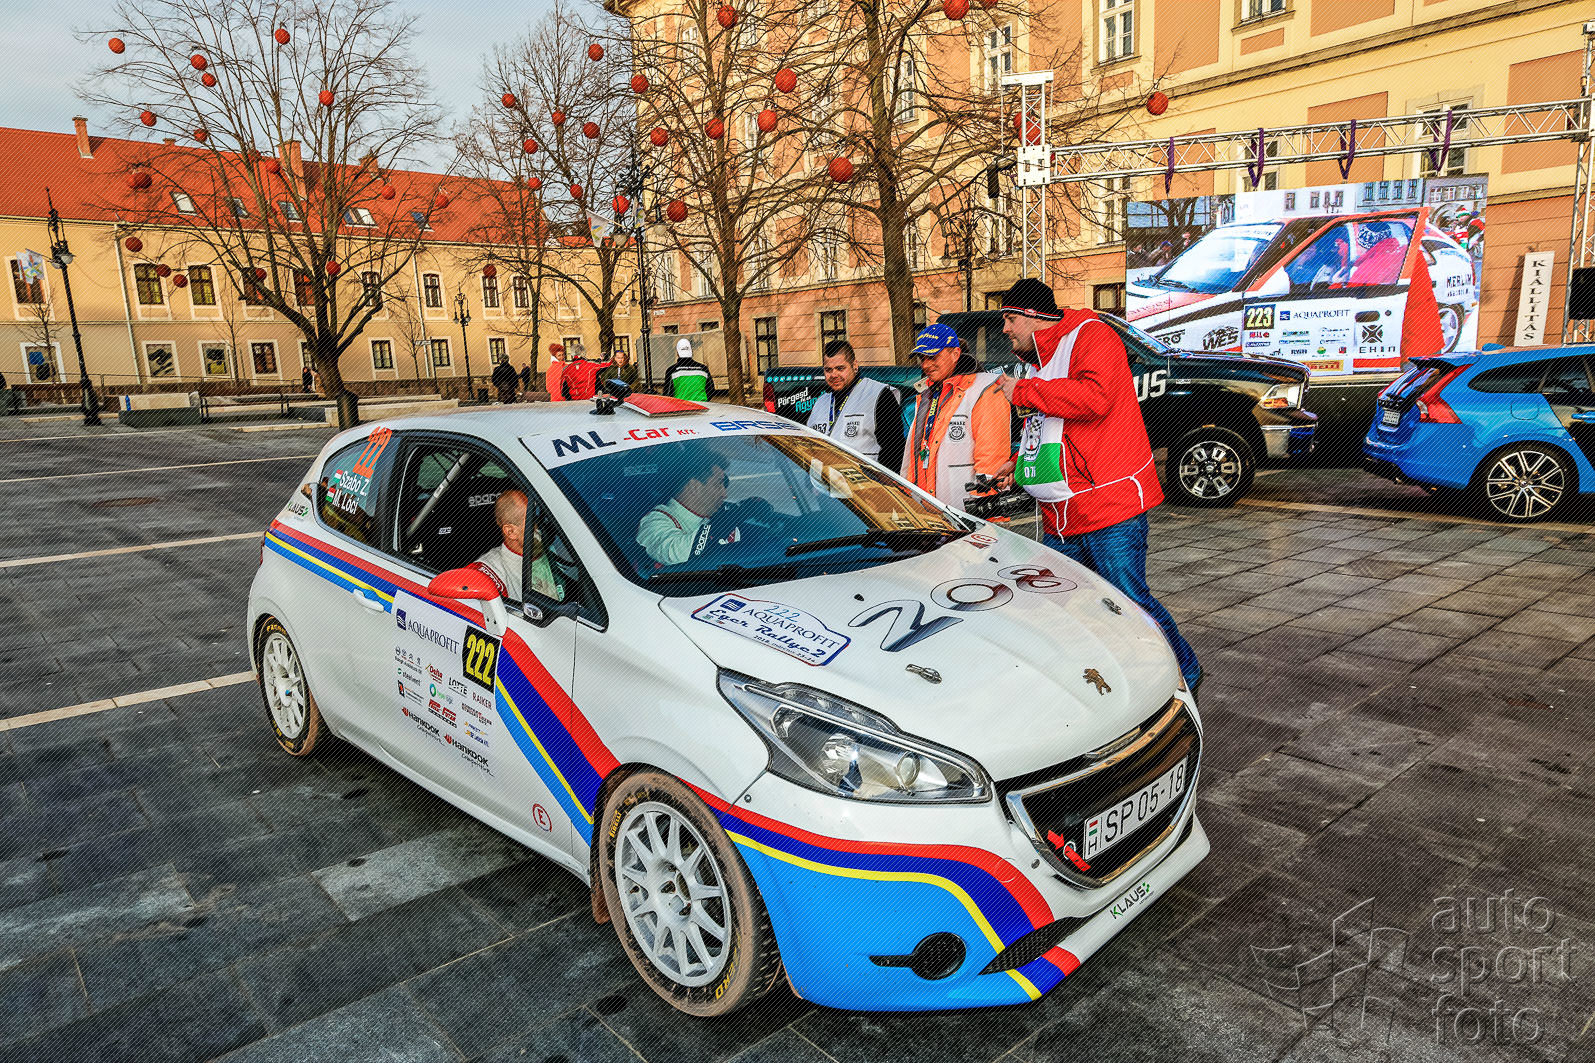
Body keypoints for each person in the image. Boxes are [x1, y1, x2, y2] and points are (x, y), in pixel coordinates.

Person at [997, 277, 1202, 692]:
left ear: (1032, 316)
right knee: (1058, 606)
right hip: (1064, 515)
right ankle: (1096, 681)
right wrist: (1018, 463)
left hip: (1109, 508)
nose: (1005, 329)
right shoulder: (1039, 364)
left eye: (1010, 319)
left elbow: (1095, 398)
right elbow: (1052, 432)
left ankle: (1186, 673)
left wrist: (1024, 391)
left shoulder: (1091, 335)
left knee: (1129, 600)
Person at [901, 323, 1011, 511]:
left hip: (969, 518)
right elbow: (913, 461)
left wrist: (980, 517)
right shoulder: (928, 394)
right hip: (930, 517)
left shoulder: (985, 389)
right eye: (922, 358)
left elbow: (991, 463)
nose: (925, 365)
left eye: (932, 357)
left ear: (955, 354)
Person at [807, 339, 904, 469]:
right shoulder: (820, 402)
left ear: (855, 365)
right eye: (828, 370)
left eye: (840, 368)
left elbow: (895, 451)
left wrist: (880, 481)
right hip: (823, 481)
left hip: (866, 481)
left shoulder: (878, 394)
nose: (834, 375)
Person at [468, 489, 557, 601]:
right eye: (533, 522)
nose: (541, 528)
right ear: (510, 532)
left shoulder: (555, 549)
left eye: (542, 519)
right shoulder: (490, 572)